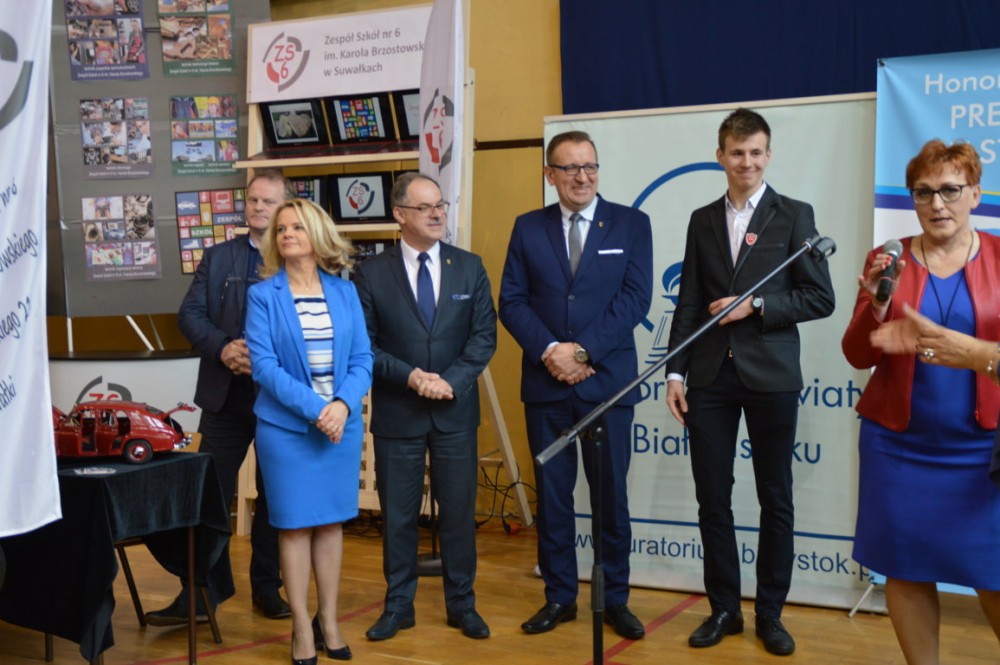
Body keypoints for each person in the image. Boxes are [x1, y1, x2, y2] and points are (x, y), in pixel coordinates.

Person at [664, 108, 835, 656]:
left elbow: (820, 297)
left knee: (774, 498)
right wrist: (675, 370)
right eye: (737, 153)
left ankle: (770, 614)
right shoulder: (701, 219)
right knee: (712, 498)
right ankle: (724, 610)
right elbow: (689, 301)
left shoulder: (795, 215)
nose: (747, 162)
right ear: (720, 156)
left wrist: (756, 305)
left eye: (756, 152)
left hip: (771, 376)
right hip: (709, 376)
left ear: (769, 155)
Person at [842, 139, 1000, 665]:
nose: (937, 204)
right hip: (898, 445)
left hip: (984, 450)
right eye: (924, 192)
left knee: (994, 573)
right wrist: (876, 308)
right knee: (906, 569)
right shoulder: (888, 259)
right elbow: (856, 354)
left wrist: (976, 353)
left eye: (950, 190)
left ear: (975, 194)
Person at [498, 131, 652, 640]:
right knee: (553, 499)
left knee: (611, 501)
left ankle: (615, 600)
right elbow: (511, 301)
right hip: (547, 388)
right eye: (570, 168)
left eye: (590, 166)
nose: (582, 177)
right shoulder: (527, 227)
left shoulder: (632, 223)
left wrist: (583, 353)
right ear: (550, 174)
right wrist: (552, 352)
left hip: (607, 388)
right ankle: (560, 596)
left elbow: (635, 300)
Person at [353, 172, 497, 641]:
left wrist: (450, 382)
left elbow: (483, 337)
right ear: (399, 214)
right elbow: (364, 345)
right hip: (399, 413)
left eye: (440, 205)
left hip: (455, 413)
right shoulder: (371, 272)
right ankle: (399, 606)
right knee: (398, 518)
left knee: (458, 515)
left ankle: (462, 604)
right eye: (425, 207)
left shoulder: (469, 267)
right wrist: (412, 377)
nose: (437, 214)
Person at [150, 171, 295, 626]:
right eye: (252, 200)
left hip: (279, 399)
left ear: (286, 207)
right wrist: (223, 348)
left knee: (276, 498)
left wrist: (266, 359)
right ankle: (200, 594)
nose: (258, 207)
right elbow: (189, 315)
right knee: (209, 496)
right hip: (224, 397)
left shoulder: (299, 257)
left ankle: (268, 589)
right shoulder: (218, 258)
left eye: (268, 201)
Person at [245, 198, 373, 665]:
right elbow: (264, 367)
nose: (287, 235)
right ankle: (301, 628)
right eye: (281, 229)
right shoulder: (264, 295)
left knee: (331, 524)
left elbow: (362, 358)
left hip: (340, 427)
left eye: (297, 227)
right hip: (286, 430)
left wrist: (341, 406)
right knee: (295, 526)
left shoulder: (345, 292)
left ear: (317, 234)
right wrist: (320, 410)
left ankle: (329, 621)